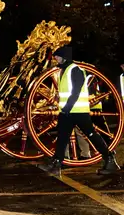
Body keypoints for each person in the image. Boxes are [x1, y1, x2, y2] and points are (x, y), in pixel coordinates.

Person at [39, 46, 120, 176]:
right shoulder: (64, 71)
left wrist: (67, 107)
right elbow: (67, 92)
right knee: (62, 137)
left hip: (77, 111)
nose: (56, 58)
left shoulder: (75, 70)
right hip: (68, 112)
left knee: (91, 135)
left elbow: (76, 91)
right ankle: (56, 164)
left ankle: (109, 158)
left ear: (64, 57)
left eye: (58, 56)